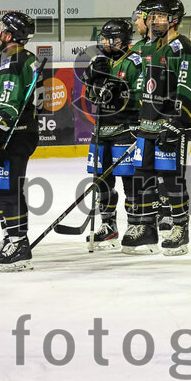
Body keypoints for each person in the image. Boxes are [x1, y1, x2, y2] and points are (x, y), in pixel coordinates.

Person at [133, 0, 191, 255]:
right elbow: (144, 85)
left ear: (174, 20)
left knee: (171, 179)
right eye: (153, 17)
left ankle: (181, 228)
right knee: (142, 176)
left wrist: (176, 122)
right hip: (147, 124)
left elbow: (187, 88)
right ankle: (147, 228)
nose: (155, 21)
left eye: (161, 17)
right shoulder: (150, 46)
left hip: (169, 125)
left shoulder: (182, 47)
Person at [0, 11, 41, 271]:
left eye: (1, 30)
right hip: (21, 132)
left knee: (7, 188)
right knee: (4, 186)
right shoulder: (26, 58)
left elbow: (8, 104)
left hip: (13, 134)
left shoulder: (12, 62)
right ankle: (11, 237)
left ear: (8, 35)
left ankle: (18, 244)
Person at [81, 18, 146, 251]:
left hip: (125, 128)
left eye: (111, 39)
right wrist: (95, 84)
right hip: (101, 129)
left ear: (123, 40)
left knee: (129, 180)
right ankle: (108, 225)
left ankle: (135, 224)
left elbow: (141, 96)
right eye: (104, 38)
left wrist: (118, 90)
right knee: (100, 180)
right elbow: (89, 96)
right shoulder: (99, 61)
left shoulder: (135, 62)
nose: (106, 43)